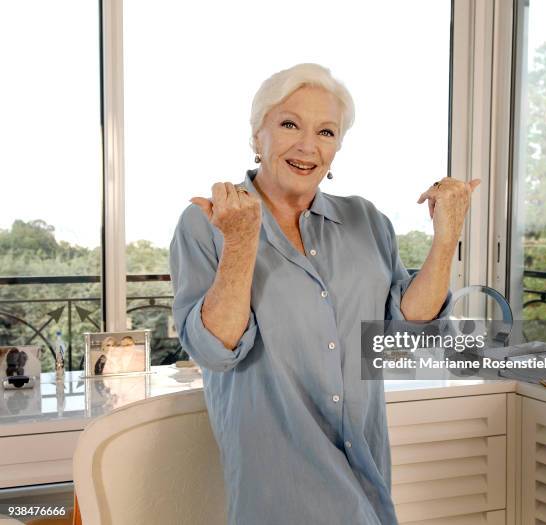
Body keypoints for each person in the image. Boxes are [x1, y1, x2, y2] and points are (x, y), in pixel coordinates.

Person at [170, 63, 480, 525]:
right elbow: (215, 350)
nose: (307, 145)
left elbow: (406, 336)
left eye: (327, 131)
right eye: (289, 124)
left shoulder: (367, 221)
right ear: (258, 135)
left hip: (367, 479)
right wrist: (240, 242)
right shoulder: (207, 224)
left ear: (338, 147)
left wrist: (446, 237)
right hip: (278, 492)